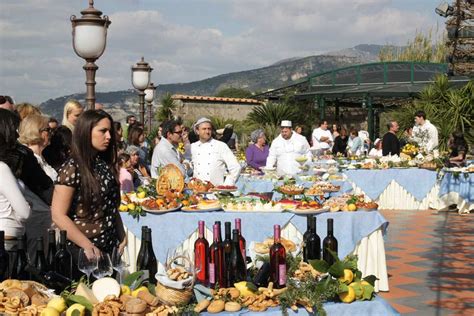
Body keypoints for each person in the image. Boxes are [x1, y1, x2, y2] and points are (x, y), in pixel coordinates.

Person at [52, 110, 126, 264]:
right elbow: (58, 215)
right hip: (82, 253)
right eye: (103, 131)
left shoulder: (102, 164)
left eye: (110, 131)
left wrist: (122, 236)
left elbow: (111, 206)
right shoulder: (72, 168)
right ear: (86, 132)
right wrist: (88, 245)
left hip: (109, 249)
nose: (109, 136)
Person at [0, 109, 31, 256]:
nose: (17, 135)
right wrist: (28, 206)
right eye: (14, 130)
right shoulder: (2, 169)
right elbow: (24, 213)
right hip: (9, 239)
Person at [191, 117, 241, 185]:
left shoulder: (221, 146)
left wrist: (226, 185)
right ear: (197, 131)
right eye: (204, 129)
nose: (207, 132)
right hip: (197, 191)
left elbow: (235, 167)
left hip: (215, 191)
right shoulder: (193, 147)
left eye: (209, 129)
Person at [19, 114, 57, 181]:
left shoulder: (41, 157)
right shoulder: (28, 159)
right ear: (36, 131)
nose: (52, 133)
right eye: (48, 129)